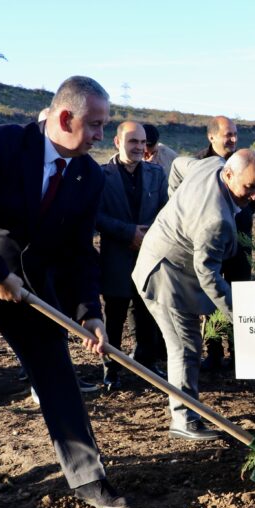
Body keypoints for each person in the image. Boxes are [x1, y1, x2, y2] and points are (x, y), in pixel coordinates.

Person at [0, 76, 127, 508]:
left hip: (33, 292)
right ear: (66, 117)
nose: (100, 135)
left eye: (103, 126)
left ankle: (88, 478)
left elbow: (77, 253)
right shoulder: (4, 143)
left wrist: (90, 311)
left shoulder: (89, 175)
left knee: (58, 376)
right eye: (95, 124)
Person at [133, 150, 255, 440]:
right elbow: (209, 275)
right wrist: (239, 318)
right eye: (249, 187)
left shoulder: (212, 164)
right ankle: (183, 418)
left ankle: (185, 410)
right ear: (229, 175)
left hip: (171, 265)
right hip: (165, 276)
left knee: (188, 344)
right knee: (185, 346)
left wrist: (177, 209)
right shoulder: (215, 219)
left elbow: (179, 166)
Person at [170, 115, 255, 370]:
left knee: (238, 295)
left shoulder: (244, 162)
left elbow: (253, 198)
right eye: (228, 134)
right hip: (208, 244)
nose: (233, 139)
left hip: (239, 245)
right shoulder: (198, 164)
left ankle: (240, 356)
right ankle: (215, 353)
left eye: (235, 134)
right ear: (212, 136)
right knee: (211, 297)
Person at [96, 121, 169, 391]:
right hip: (116, 256)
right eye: (132, 142)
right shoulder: (101, 174)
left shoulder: (156, 173)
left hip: (148, 256)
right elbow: (96, 216)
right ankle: (111, 368)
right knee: (113, 315)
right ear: (117, 142)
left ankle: (146, 364)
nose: (138, 147)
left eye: (141, 142)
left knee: (146, 311)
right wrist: (128, 233)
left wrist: (149, 237)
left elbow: (165, 211)